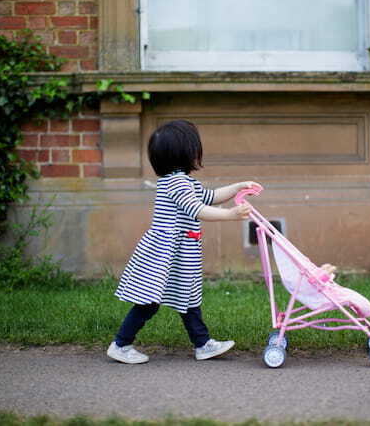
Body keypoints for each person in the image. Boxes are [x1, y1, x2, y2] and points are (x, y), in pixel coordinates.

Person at [107, 120, 258, 364]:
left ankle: (203, 343)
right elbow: (198, 209)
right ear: (185, 152)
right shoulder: (176, 183)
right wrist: (230, 215)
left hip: (179, 252)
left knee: (188, 297)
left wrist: (239, 186)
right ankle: (120, 344)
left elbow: (212, 196)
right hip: (164, 254)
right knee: (149, 302)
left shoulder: (182, 181)